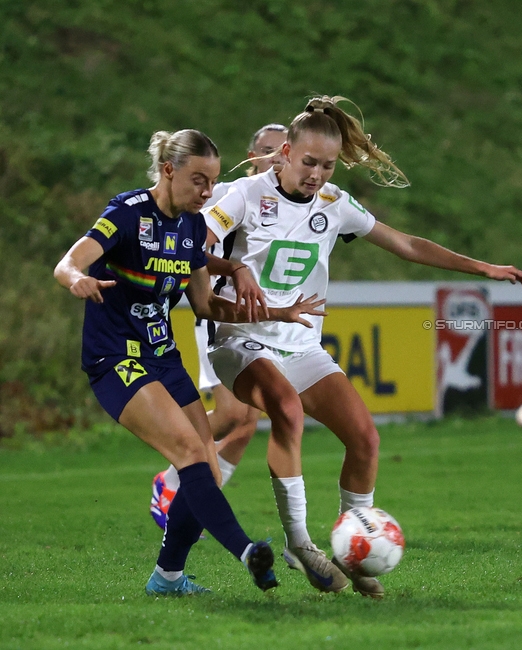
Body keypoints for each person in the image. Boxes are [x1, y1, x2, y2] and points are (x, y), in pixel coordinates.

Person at [202, 96, 522, 598]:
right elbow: (195, 243)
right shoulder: (245, 195)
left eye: (327, 165)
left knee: (365, 439)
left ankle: (355, 549)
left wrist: (483, 267)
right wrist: (234, 269)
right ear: (285, 152)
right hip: (240, 337)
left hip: (301, 341)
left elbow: (406, 244)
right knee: (286, 410)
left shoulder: (334, 204)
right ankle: (301, 543)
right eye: (308, 161)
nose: (316, 173)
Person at [54, 128, 324, 596]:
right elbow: (69, 262)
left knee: (209, 471)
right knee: (191, 453)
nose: (207, 192)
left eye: (213, 182)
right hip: (115, 356)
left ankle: (168, 578)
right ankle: (247, 552)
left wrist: (278, 311)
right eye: (198, 180)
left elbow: (206, 308)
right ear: (168, 170)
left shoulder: (192, 227)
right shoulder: (126, 212)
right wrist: (77, 278)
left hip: (163, 354)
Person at [150, 124, 288, 529]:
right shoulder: (230, 194)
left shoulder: (284, 200)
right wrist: (216, 277)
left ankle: (194, 504)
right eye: (266, 149)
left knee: (246, 422)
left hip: (253, 320)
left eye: (282, 151)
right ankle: (172, 481)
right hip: (220, 315)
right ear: (250, 154)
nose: (274, 158)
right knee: (230, 416)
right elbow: (196, 242)